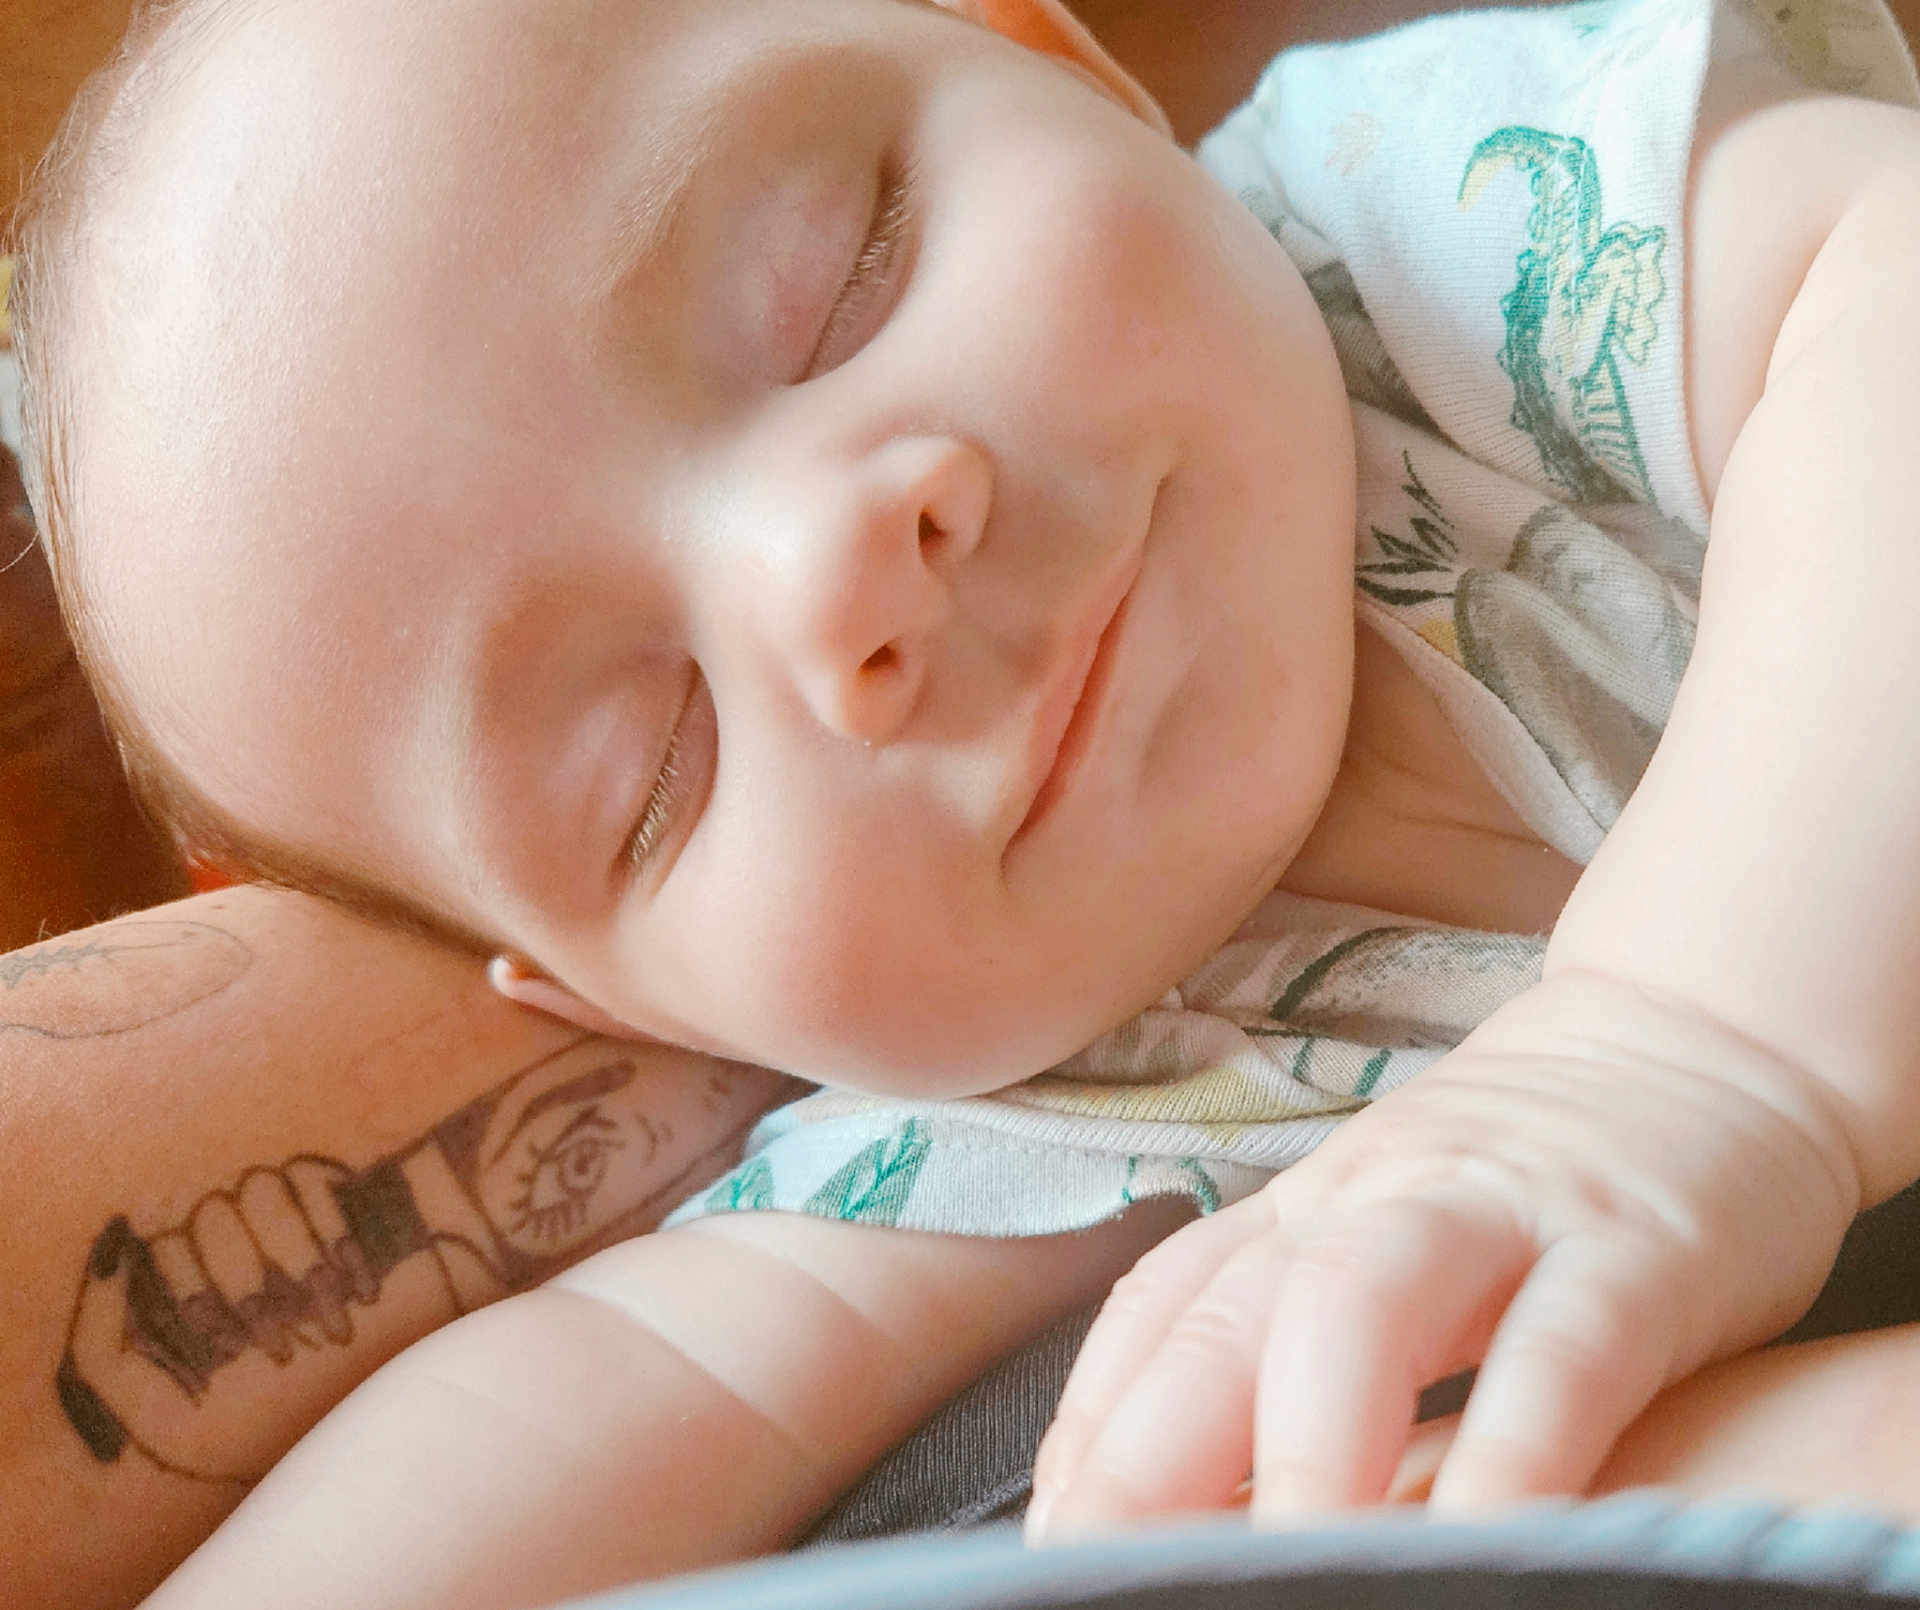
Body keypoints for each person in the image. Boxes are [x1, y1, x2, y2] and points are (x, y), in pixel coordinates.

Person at [15, 0, 1920, 1604]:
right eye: (649, 772)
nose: (834, 573)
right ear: (640, 1011)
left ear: (1049, 60)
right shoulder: (1012, 1111)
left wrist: (1691, 1046)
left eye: (840, 273)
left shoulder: (1445, 238)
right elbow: (538, 1429)